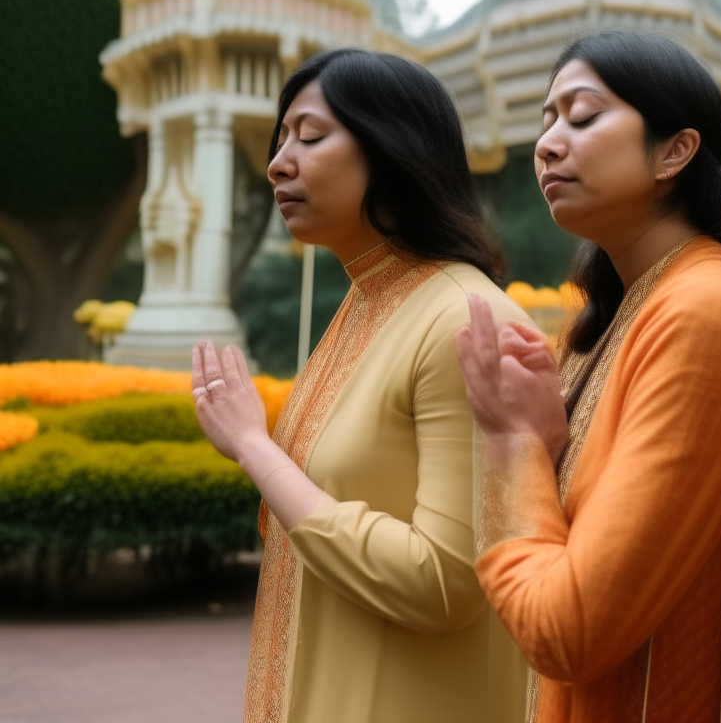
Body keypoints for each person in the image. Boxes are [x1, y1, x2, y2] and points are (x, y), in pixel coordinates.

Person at [190, 49, 528, 723]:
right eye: (280, 139)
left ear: (392, 151)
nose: (279, 162)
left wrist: (255, 447)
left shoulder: (461, 319)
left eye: (311, 136)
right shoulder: (365, 303)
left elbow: (444, 583)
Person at [454, 31, 721, 723]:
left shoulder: (701, 312)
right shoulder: (613, 317)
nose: (548, 143)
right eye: (546, 120)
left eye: (582, 114)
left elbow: (570, 630)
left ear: (674, 151)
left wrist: (513, 448)